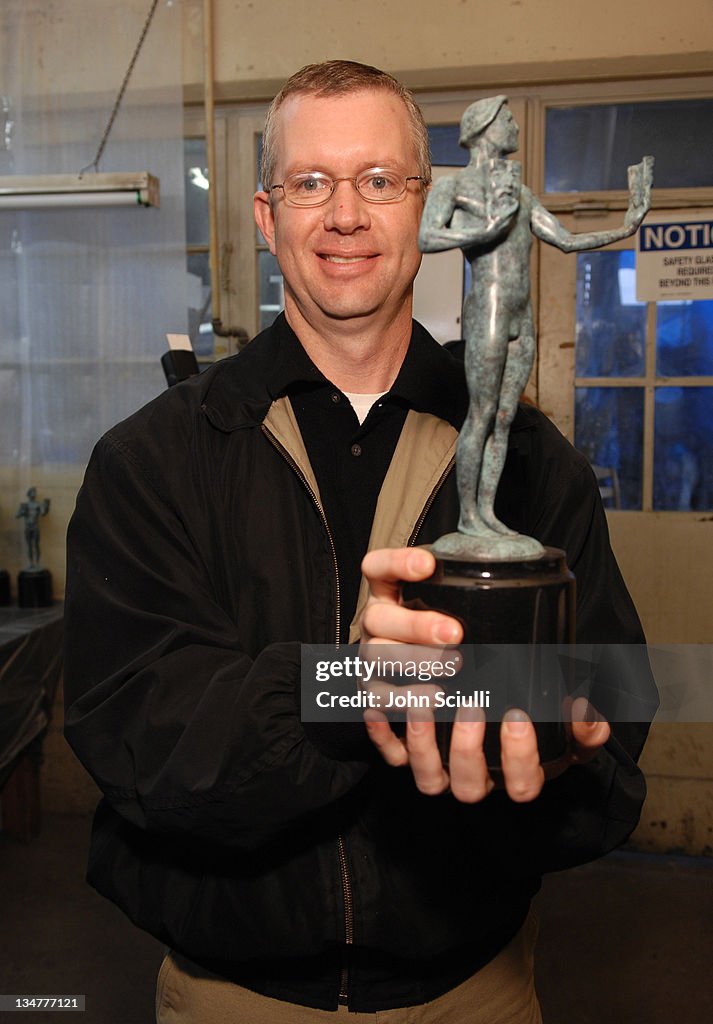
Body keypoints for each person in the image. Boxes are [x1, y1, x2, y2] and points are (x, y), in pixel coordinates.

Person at [64, 61, 655, 1024]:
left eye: (380, 180)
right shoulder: (155, 459)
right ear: (266, 216)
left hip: (475, 993)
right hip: (234, 998)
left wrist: (560, 759)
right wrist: (348, 688)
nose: (345, 215)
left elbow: (618, 706)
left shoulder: (533, 466)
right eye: (311, 183)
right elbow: (134, 732)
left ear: (426, 206)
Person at [418, 95, 653, 556]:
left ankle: (486, 514)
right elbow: (427, 237)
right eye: (507, 119)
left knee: (505, 419)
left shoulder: (521, 195)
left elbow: (566, 240)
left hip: (521, 314)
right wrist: (485, 230)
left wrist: (627, 226)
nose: (515, 127)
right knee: (481, 415)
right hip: (488, 307)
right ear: (484, 127)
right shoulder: (455, 188)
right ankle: (469, 517)